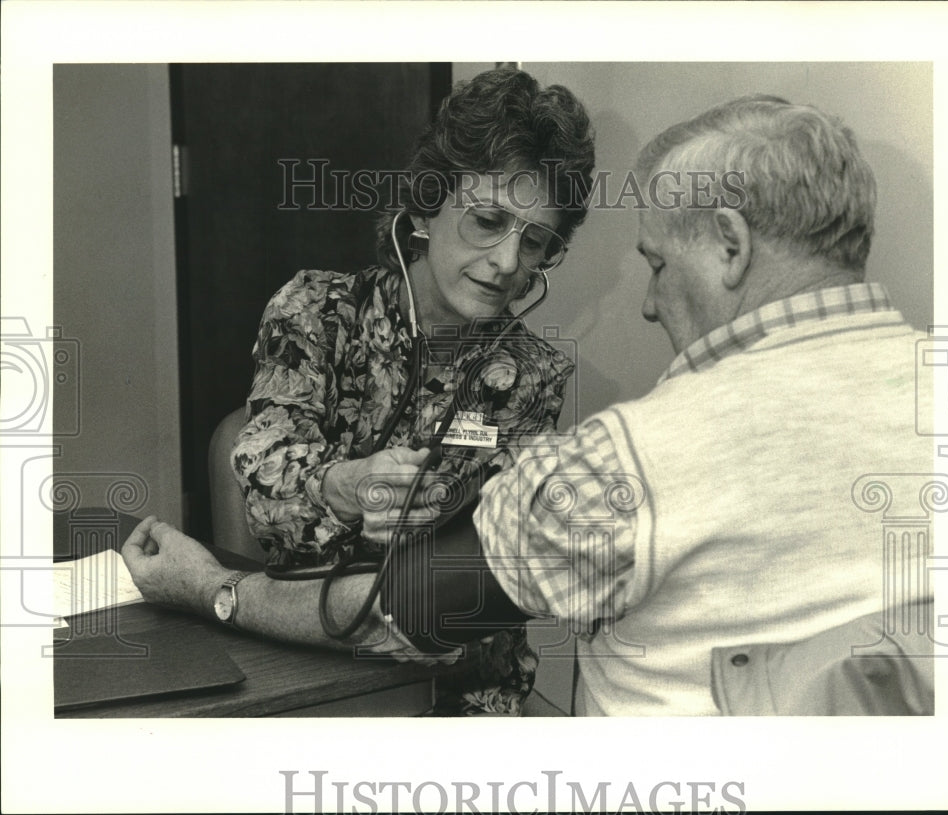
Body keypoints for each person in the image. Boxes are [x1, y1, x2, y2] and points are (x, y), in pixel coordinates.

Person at [122, 67, 596, 716]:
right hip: (290, 665)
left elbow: (465, 603)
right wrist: (340, 485)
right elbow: (263, 489)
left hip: (454, 701)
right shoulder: (316, 312)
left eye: (535, 239)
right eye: (488, 220)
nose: (509, 262)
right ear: (428, 206)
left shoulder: (529, 375)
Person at [472, 95, 935, 715]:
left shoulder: (630, 457)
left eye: (658, 265)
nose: (649, 303)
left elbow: (416, 606)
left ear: (730, 245)